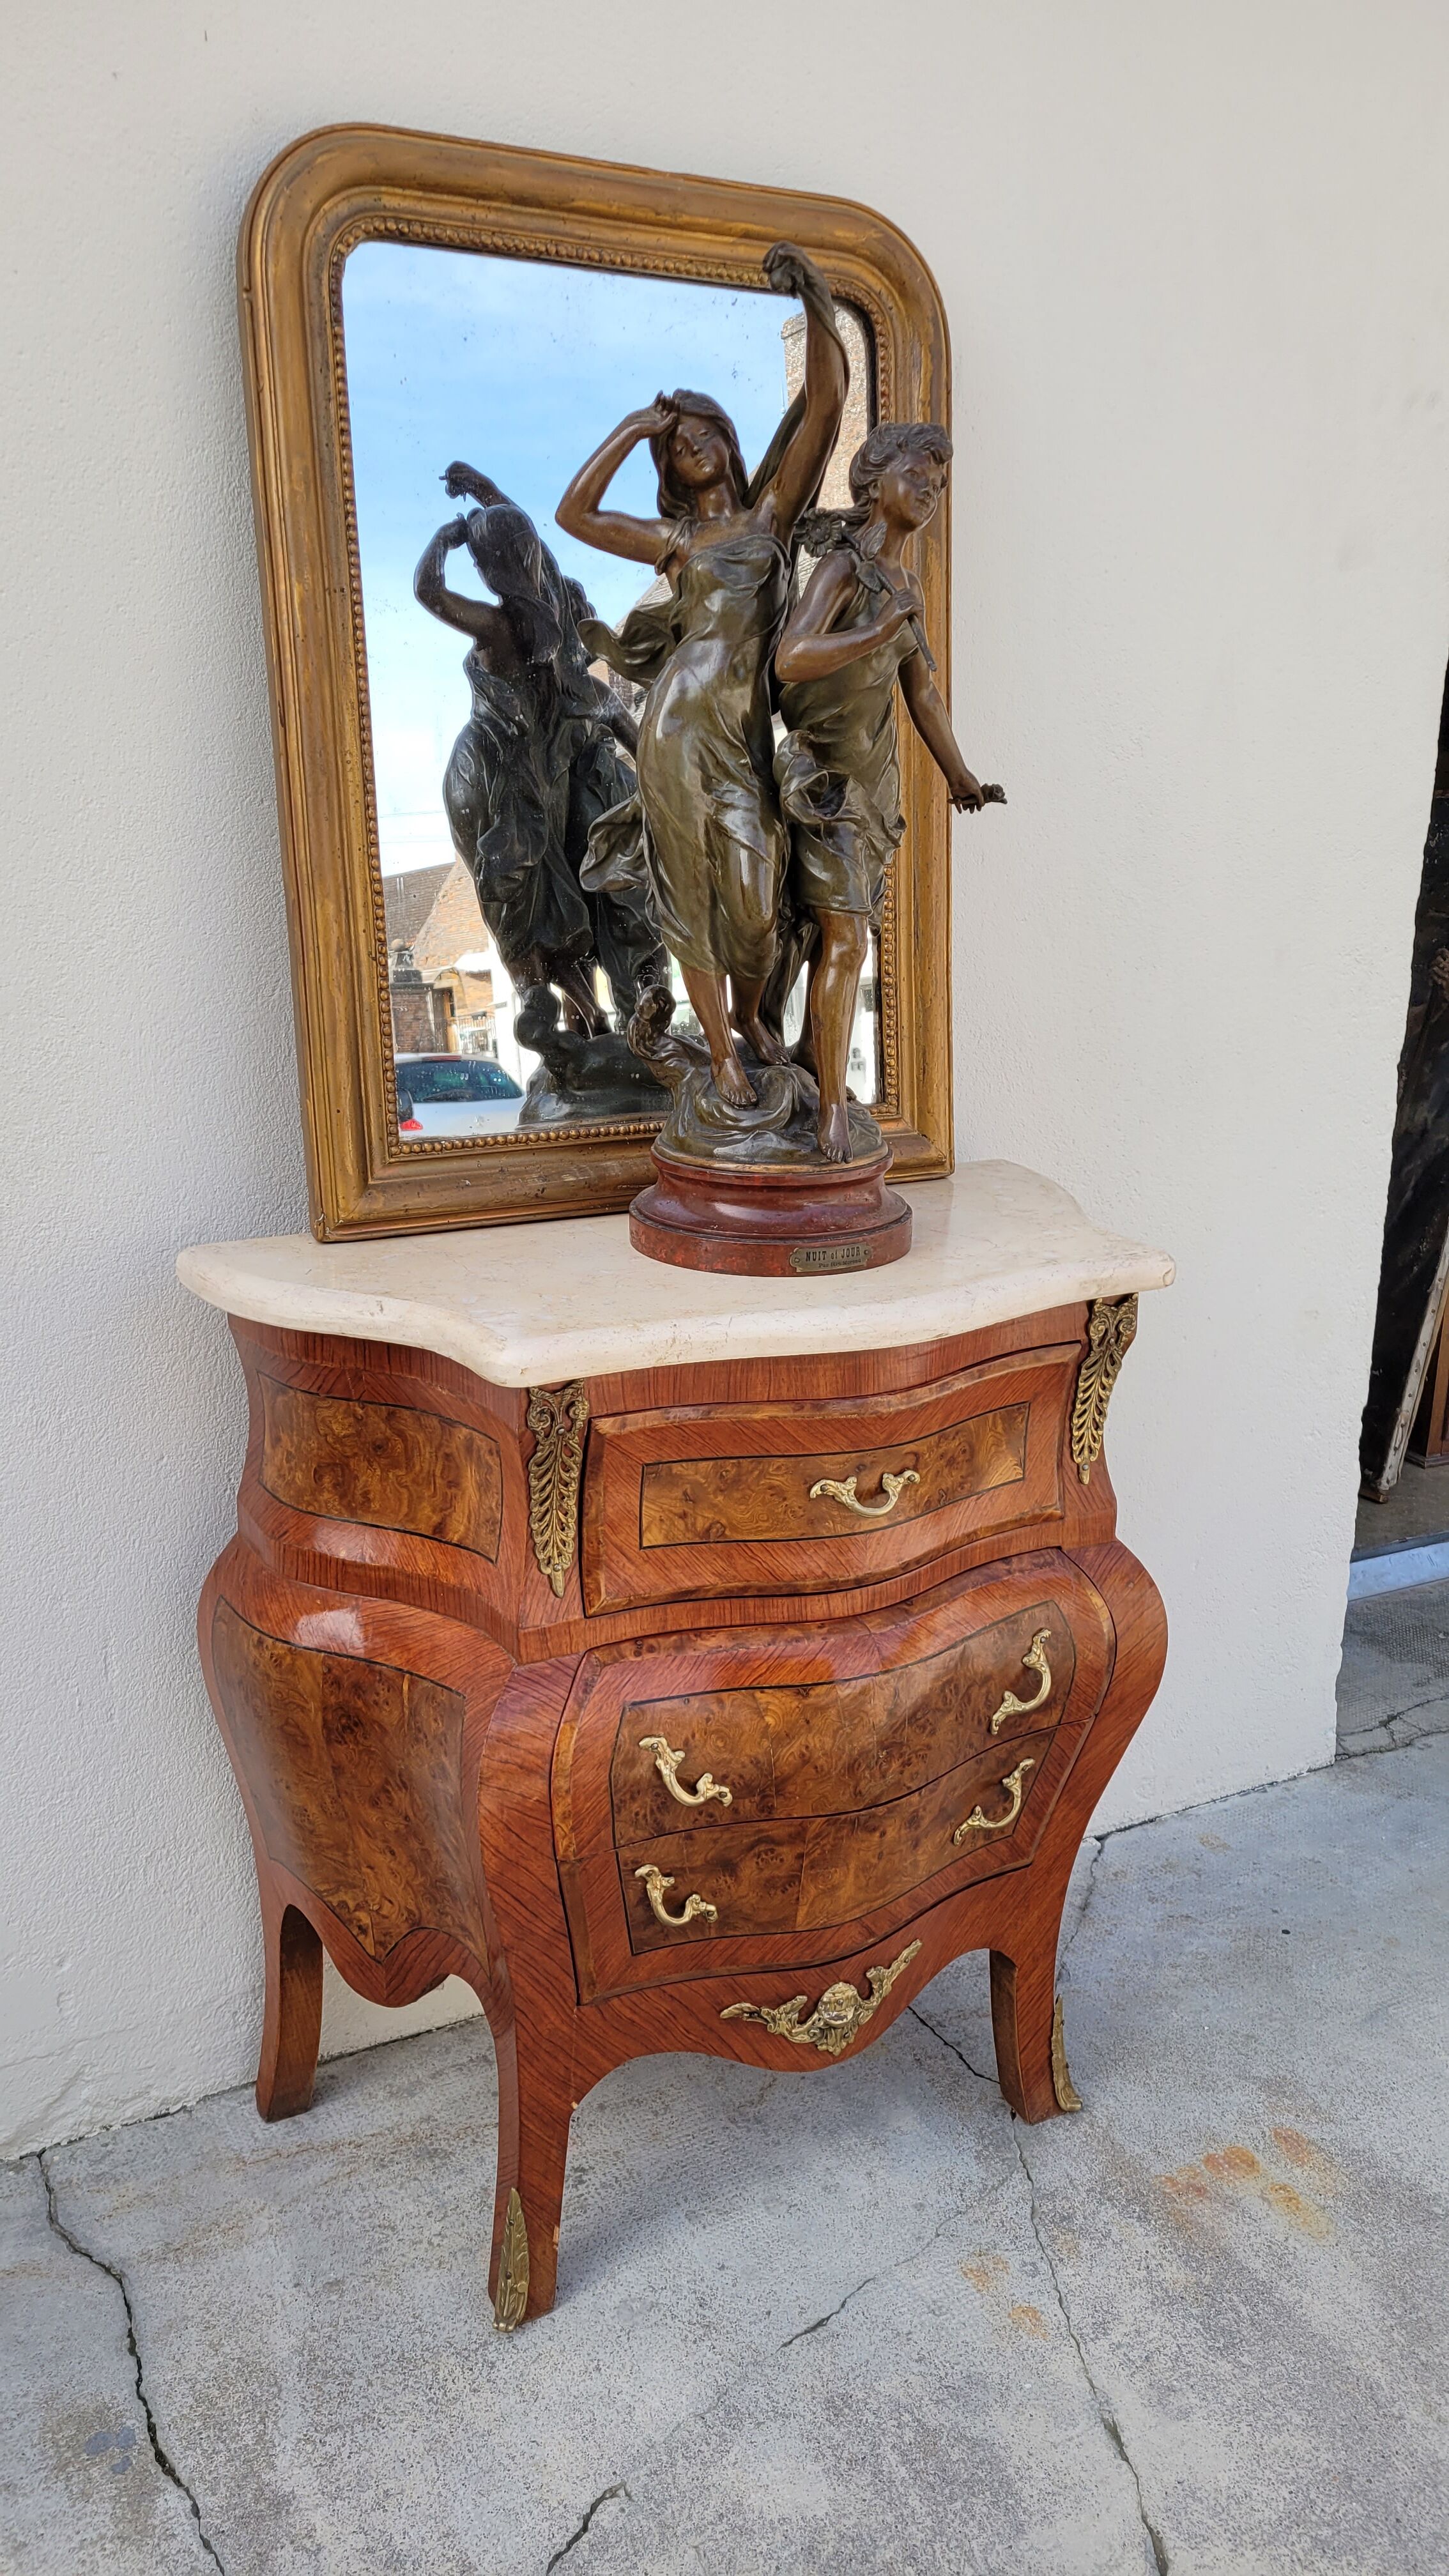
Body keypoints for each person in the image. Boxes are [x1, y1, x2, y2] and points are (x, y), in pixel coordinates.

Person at [555, 243, 848, 1108]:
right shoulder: (677, 543)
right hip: (675, 729)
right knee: (691, 900)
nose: (695, 447)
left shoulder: (768, 518)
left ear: (728, 441)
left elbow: (828, 407)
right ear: (671, 468)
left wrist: (818, 297)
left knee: (757, 911)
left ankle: (753, 1016)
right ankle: (722, 1056)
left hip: (744, 735)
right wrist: (633, 430)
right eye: (678, 445)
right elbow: (574, 513)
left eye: (705, 433)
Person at [774, 421, 1004, 1159]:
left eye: (939, 485)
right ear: (875, 483)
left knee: (845, 937)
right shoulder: (844, 569)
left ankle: (815, 1060)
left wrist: (961, 776)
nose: (931, 493)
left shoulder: (905, 585)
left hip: (875, 782)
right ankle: (833, 1109)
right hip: (824, 779)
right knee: (843, 937)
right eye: (918, 478)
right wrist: (878, 631)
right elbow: (791, 659)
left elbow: (924, 695)